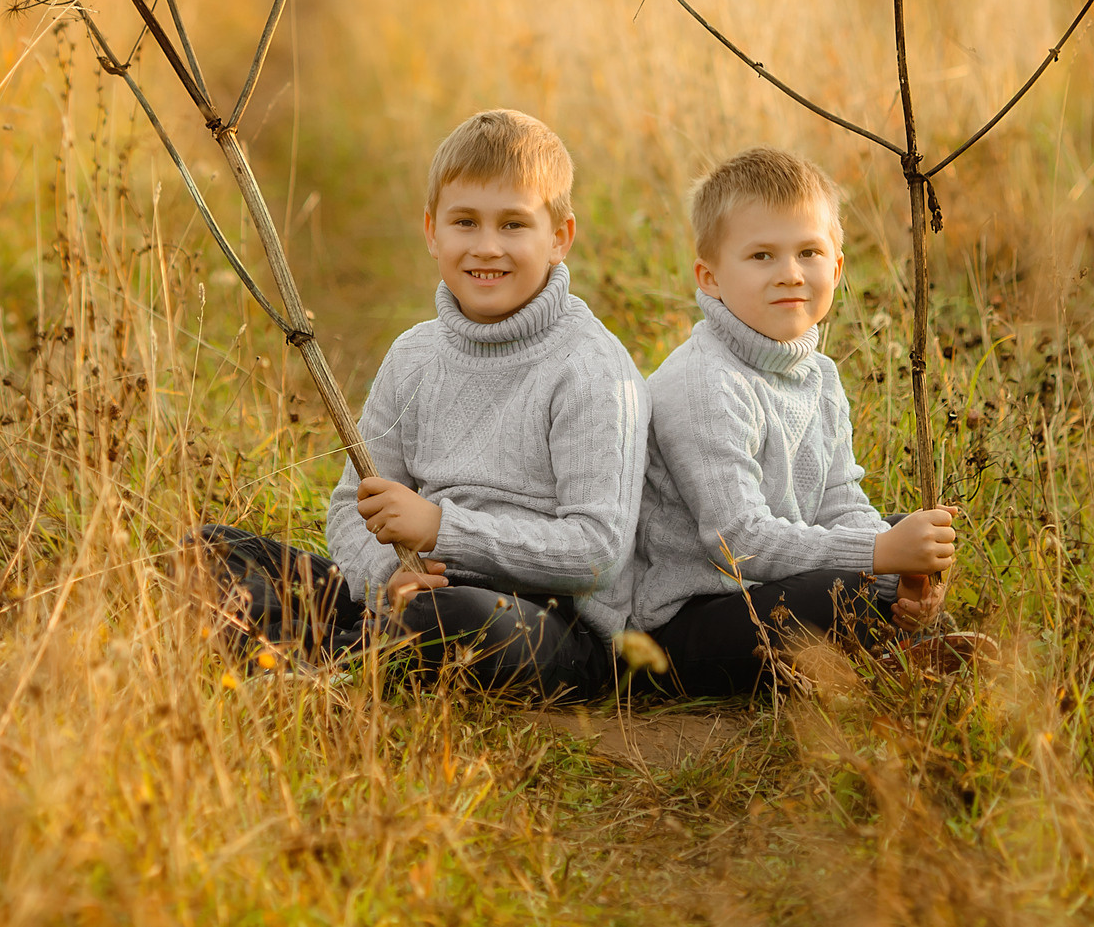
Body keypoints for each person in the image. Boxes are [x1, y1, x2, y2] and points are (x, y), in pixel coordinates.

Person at [192, 109, 648, 702]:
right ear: (432, 231)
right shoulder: (414, 355)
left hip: (549, 622)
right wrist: (387, 577)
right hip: (415, 589)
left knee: (448, 618)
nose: (487, 247)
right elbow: (352, 506)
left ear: (559, 237)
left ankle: (315, 666)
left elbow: (597, 552)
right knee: (211, 551)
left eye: (514, 225)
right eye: (466, 222)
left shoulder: (589, 367)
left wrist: (440, 529)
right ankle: (344, 648)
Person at [628, 147, 956, 696]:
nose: (790, 274)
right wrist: (879, 557)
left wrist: (902, 566)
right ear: (709, 277)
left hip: (773, 584)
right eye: (761, 256)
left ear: (837, 266)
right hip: (688, 625)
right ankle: (873, 656)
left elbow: (839, 501)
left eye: (809, 252)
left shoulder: (819, 375)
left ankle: (893, 649)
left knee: (915, 535)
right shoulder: (704, 383)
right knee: (857, 578)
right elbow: (739, 543)